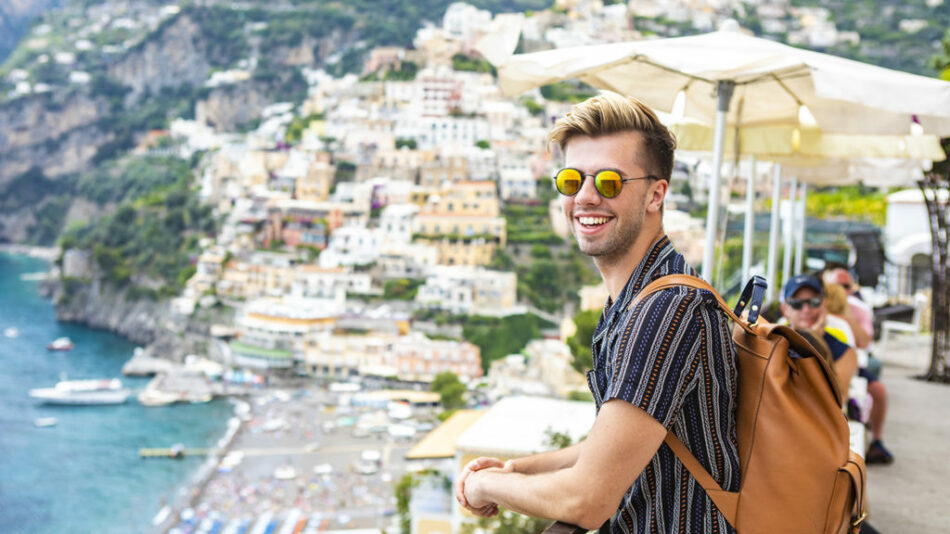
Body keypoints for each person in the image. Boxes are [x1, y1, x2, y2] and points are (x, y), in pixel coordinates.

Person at [454, 91, 741, 532]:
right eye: (572, 180)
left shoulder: (665, 311)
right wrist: (518, 471)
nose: (585, 197)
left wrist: (485, 488)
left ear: (655, 194)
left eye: (609, 182)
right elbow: (611, 446)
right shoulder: (635, 299)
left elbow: (586, 500)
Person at [821, 266, 894, 465]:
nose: (840, 290)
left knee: (875, 382)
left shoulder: (858, 309)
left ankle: (876, 439)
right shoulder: (813, 308)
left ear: (851, 288)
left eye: (845, 285)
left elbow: (865, 344)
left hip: (854, 358)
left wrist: (848, 317)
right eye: (835, 285)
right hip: (829, 360)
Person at [780, 274, 859, 396]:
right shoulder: (774, 340)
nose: (806, 309)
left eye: (814, 302)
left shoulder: (844, 351)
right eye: (797, 304)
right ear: (786, 310)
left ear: (824, 304)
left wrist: (813, 342)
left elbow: (837, 398)